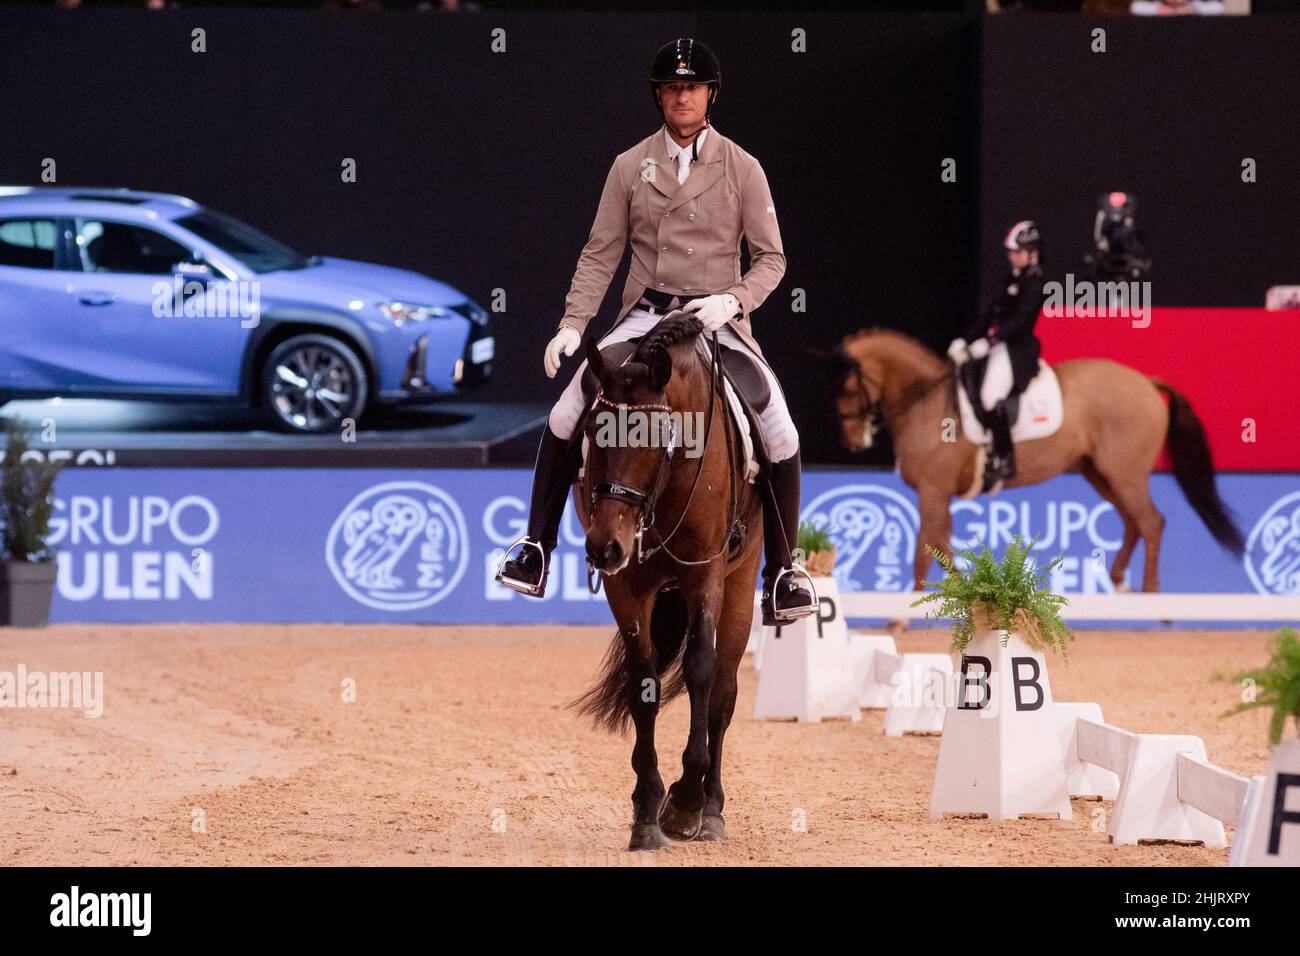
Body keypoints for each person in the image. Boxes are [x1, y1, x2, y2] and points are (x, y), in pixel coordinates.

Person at [496, 37, 815, 627]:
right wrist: (572, 323)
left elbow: (772, 259)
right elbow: (601, 253)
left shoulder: (743, 167)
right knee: (565, 414)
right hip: (646, 316)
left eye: (691, 88)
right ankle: (535, 547)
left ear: (710, 95)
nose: (681, 97)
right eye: (671, 88)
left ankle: (784, 573)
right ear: (659, 97)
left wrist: (733, 300)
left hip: (716, 320)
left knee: (780, 429)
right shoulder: (629, 165)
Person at [948, 220, 1046, 492]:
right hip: (994, 344)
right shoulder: (1011, 278)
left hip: (1015, 349)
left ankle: (1005, 457)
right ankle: (959, 441)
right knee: (958, 382)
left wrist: (989, 342)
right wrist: (966, 340)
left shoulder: (1036, 283)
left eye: (1017, 252)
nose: (1012, 256)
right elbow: (989, 314)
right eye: (1010, 252)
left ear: (1032, 252)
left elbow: (1021, 322)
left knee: (990, 397)